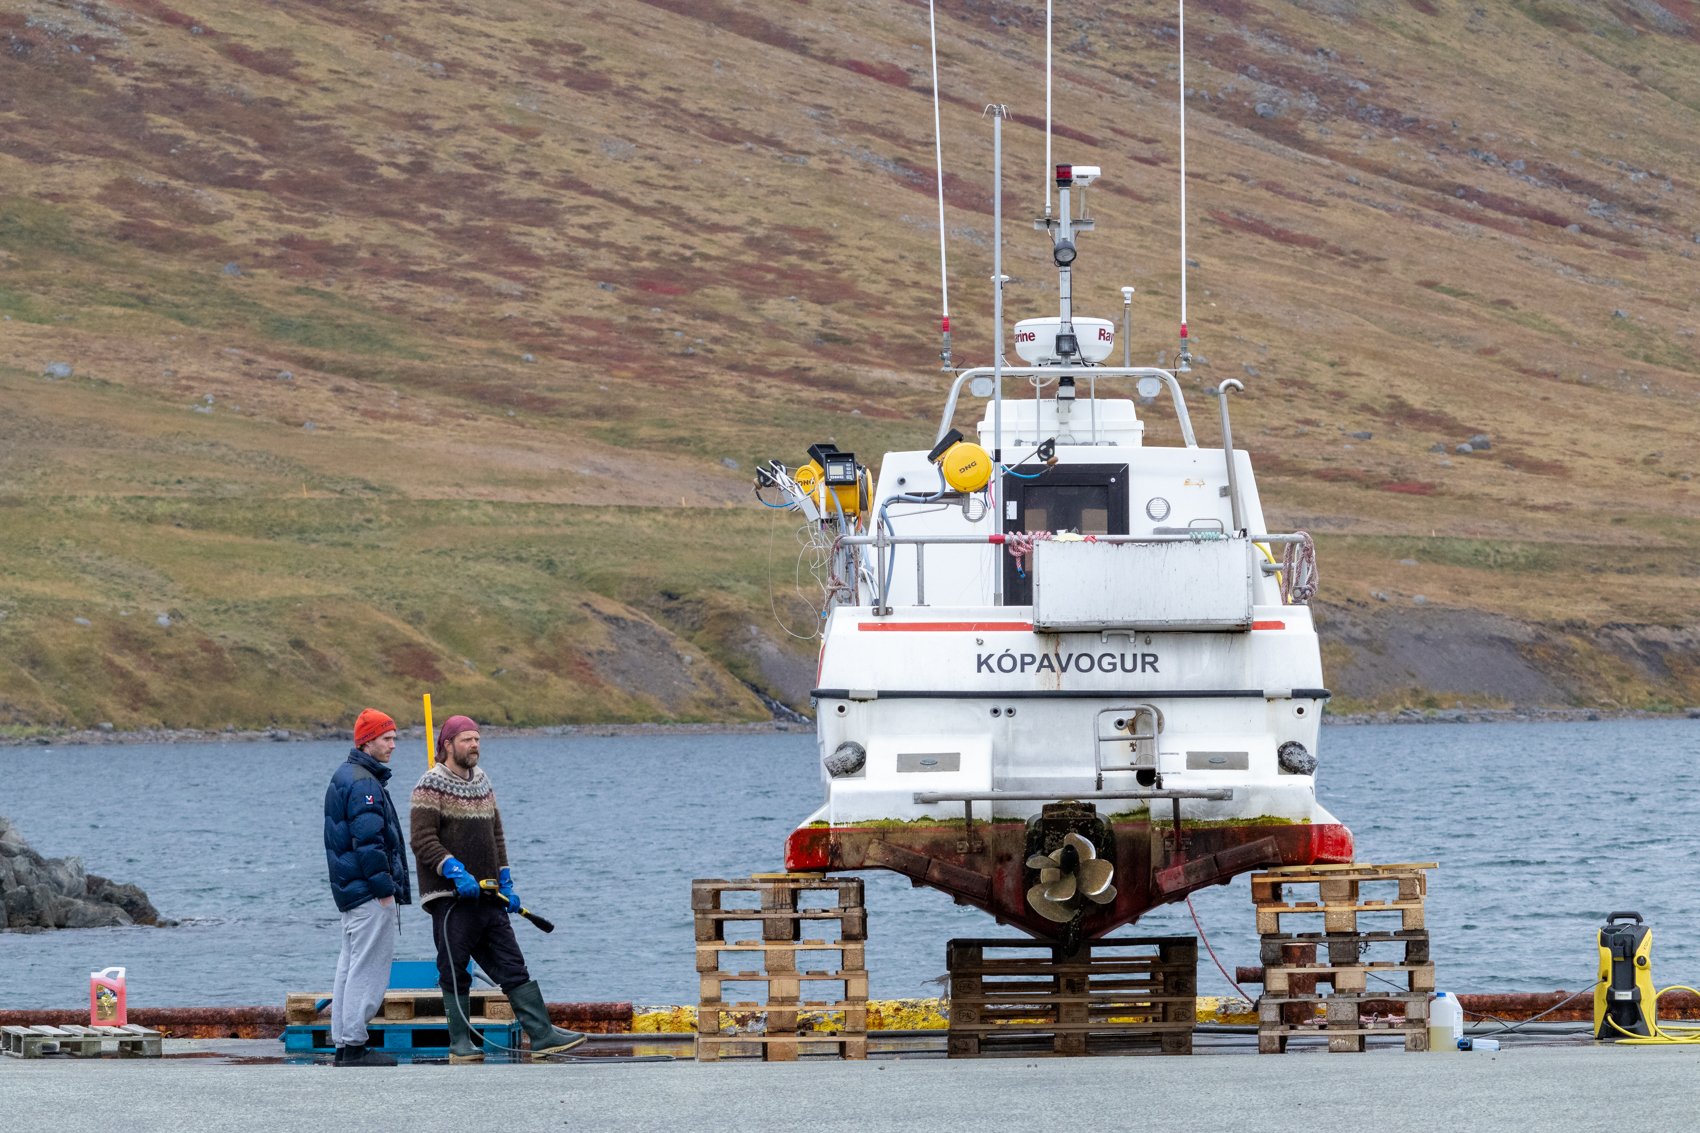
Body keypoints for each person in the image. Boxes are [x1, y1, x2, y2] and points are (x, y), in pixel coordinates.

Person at [409, 715, 586, 1063]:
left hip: (489, 896)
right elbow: (422, 840)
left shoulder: (483, 782)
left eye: (477, 739)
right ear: (447, 745)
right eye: (466, 740)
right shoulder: (429, 786)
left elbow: (497, 835)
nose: (475, 745)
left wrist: (505, 878)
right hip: (452, 899)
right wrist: (453, 869)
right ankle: (460, 1044)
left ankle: (542, 1035)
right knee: (454, 968)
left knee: (512, 964)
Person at [323, 707, 411, 1067]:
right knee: (368, 967)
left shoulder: (347, 775)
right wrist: (384, 888)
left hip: (349, 891)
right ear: (367, 741)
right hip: (368, 892)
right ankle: (355, 1043)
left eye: (393, 737)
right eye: (387, 738)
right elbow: (369, 843)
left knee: (349, 965)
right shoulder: (364, 783)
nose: (393, 744)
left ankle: (345, 1043)